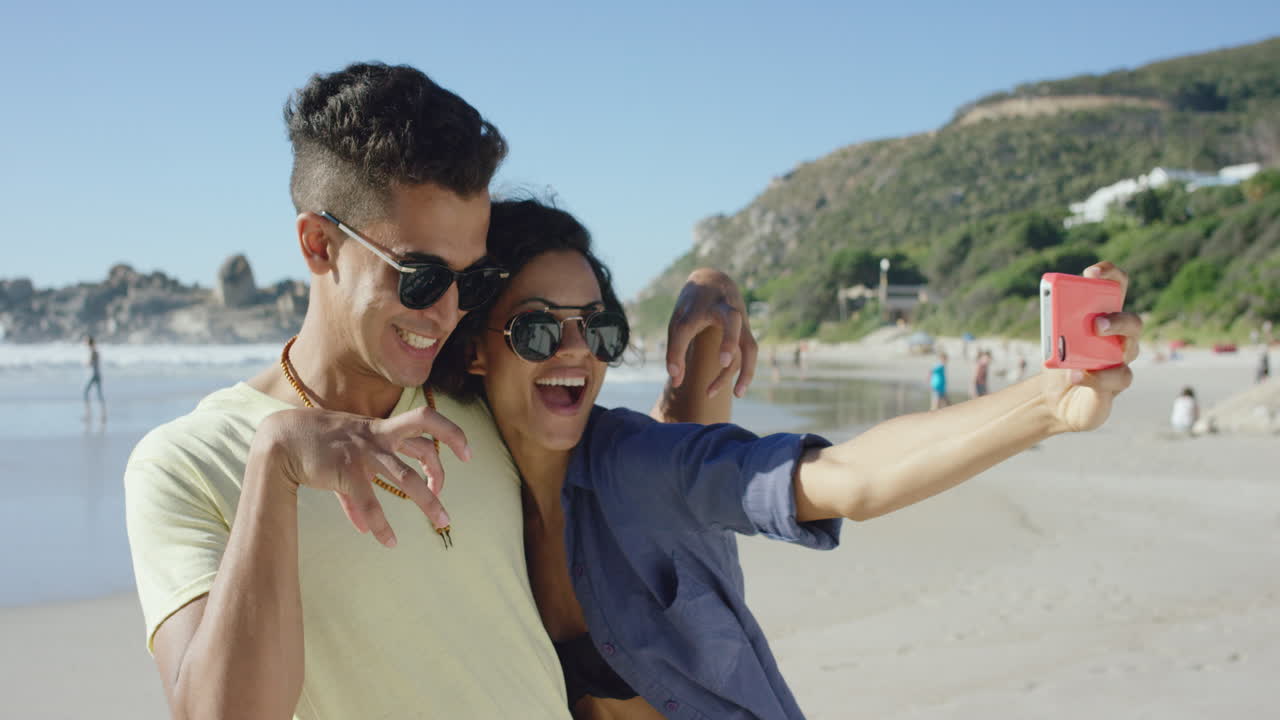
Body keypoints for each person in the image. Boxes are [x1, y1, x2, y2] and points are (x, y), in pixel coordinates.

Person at [123, 63, 750, 720]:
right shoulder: (189, 463)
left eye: (471, 282)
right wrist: (275, 463)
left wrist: (711, 295)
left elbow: (651, 476)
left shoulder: (472, 390)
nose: (448, 311)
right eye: (420, 277)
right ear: (318, 244)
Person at [431, 199, 1143, 719]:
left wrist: (1047, 405)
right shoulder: (470, 482)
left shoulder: (639, 466)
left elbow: (849, 478)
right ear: (475, 346)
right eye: (536, 329)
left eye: (598, 327)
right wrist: (714, 284)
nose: (576, 350)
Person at [83, 335, 106, 421]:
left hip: (92, 375)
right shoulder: (96, 351)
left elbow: (89, 363)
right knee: (99, 394)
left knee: (85, 393)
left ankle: (88, 414)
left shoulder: (92, 352)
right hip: (98, 374)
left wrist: (86, 363)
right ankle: (103, 414)